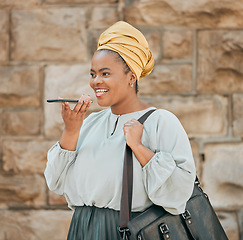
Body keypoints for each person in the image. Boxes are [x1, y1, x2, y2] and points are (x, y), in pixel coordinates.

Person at [44, 21, 196, 240]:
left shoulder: (161, 122)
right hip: (81, 229)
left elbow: (179, 194)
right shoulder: (90, 122)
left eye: (105, 73)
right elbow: (54, 182)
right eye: (93, 74)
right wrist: (71, 130)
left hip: (128, 232)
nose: (96, 82)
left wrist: (139, 147)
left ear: (131, 77)